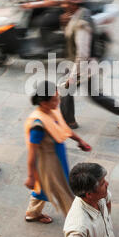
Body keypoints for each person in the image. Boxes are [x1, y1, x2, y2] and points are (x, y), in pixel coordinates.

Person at [59, 0, 119, 130]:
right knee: (78, 93)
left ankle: (69, 121)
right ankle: (69, 121)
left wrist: (72, 76)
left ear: (73, 4)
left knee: (78, 92)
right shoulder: (79, 14)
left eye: (66, 3)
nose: (63, 5)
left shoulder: (82, 25)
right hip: (80, 65)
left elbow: (82, 54)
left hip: (83, 66)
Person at [24, 81, 91, 224]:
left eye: (58, 98)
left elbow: (64, 128)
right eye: (55, 99)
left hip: (57, 156)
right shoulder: (38, 125)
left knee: (43, 187)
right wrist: (30, 176)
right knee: (64, 190)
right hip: (49, 163)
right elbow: (32, 152)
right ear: (43, 102)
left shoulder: (52, 111)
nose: (58, 102)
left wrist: (79, 140)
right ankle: (77, 223)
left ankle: (32, 212)